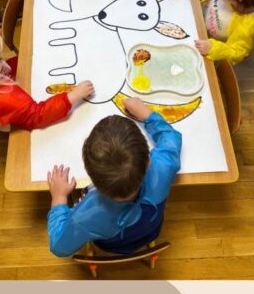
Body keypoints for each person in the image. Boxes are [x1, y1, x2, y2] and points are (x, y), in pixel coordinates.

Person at [47, 97, 182, 257]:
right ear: (148, 161)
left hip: (111, 245)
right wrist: (147, 114)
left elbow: (58, 247)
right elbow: (171, 137)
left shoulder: (87, 215)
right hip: (150, 232)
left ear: (91, 178)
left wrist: (59, 198)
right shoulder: (163, 167)